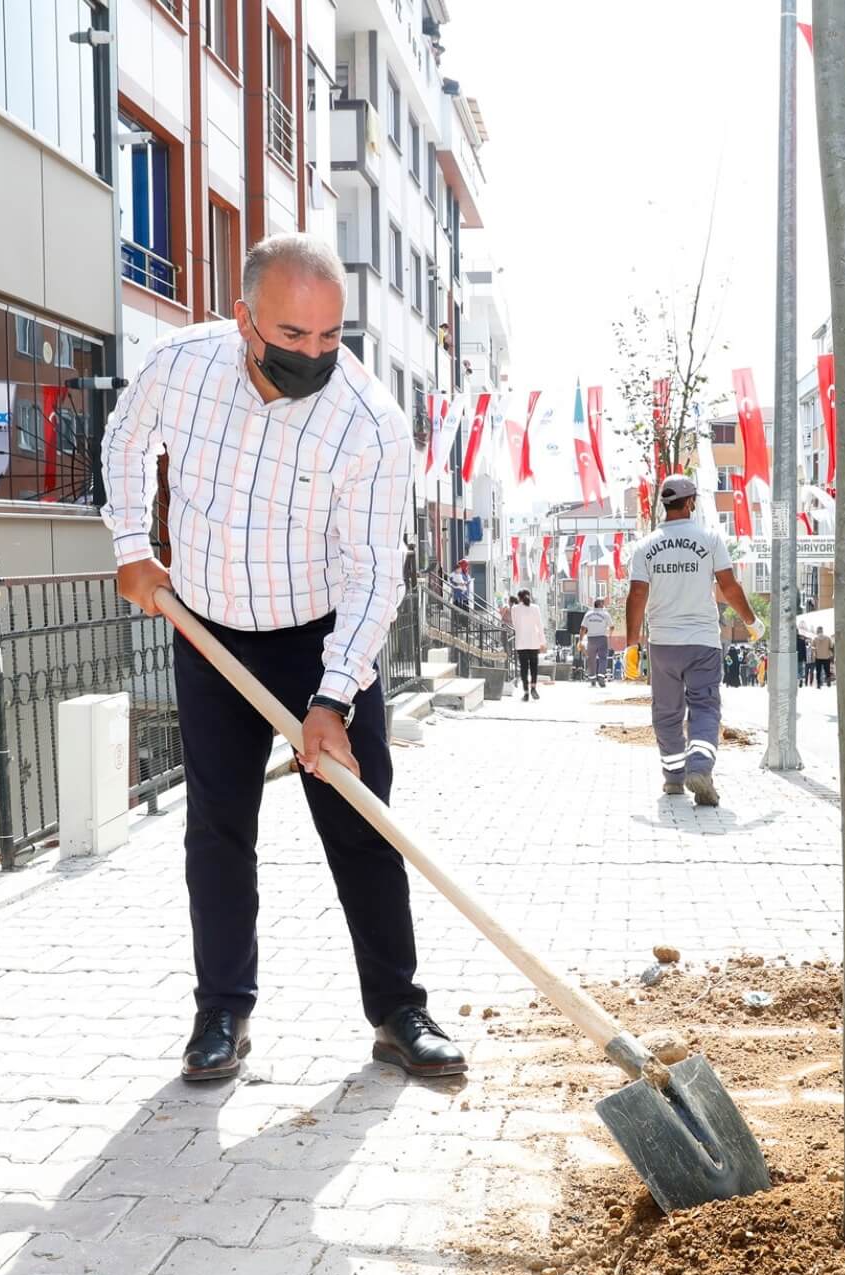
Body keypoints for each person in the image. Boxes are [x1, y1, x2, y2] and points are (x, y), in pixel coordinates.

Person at [104, 232, 464, 1083]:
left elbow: (377, 574)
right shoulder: (180, 366)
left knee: (361, 822)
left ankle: (398, 1010)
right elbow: (125, 439)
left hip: (319, 636)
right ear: (243, 319)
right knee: (218, 830)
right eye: (292, 336)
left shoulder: (369, 422)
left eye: (330, 337)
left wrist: (333, 698)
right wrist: (130, 545)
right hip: (208, 631)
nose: (313, 354)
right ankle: (221, 1012)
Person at [626, 475, 760, 806]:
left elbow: (637, 594)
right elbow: (729, 587)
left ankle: (673, 778)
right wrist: (751, 621)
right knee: (704, 706)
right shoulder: (710, 539)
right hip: (702, 642)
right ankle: (699, 767)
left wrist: (632, 644)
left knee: (667, 711)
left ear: (665, 504)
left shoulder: (645, 546)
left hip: (663, 644)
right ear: (690, 503)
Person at [511, 588, 545, 701]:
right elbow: (540, 625)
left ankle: (525, 693)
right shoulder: (535, 608)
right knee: (534, 667)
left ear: (519, 598)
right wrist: (542, 642)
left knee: (524, 668)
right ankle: (533, 688)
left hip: (521, 642)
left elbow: (515, 626)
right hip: (534, 641)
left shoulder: (515, 609)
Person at [582, 597, 613, 689]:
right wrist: (609, 635)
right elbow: (612, 626)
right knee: (603, 658)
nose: (604, 605)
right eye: (603, 603)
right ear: (600, 605)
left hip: (591, 638)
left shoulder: (588, 614)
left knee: (591, 659)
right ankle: (601, 677)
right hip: (602, 638)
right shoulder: (605, 614)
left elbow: (583, 628)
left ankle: (592, 679)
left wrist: (580, 640)